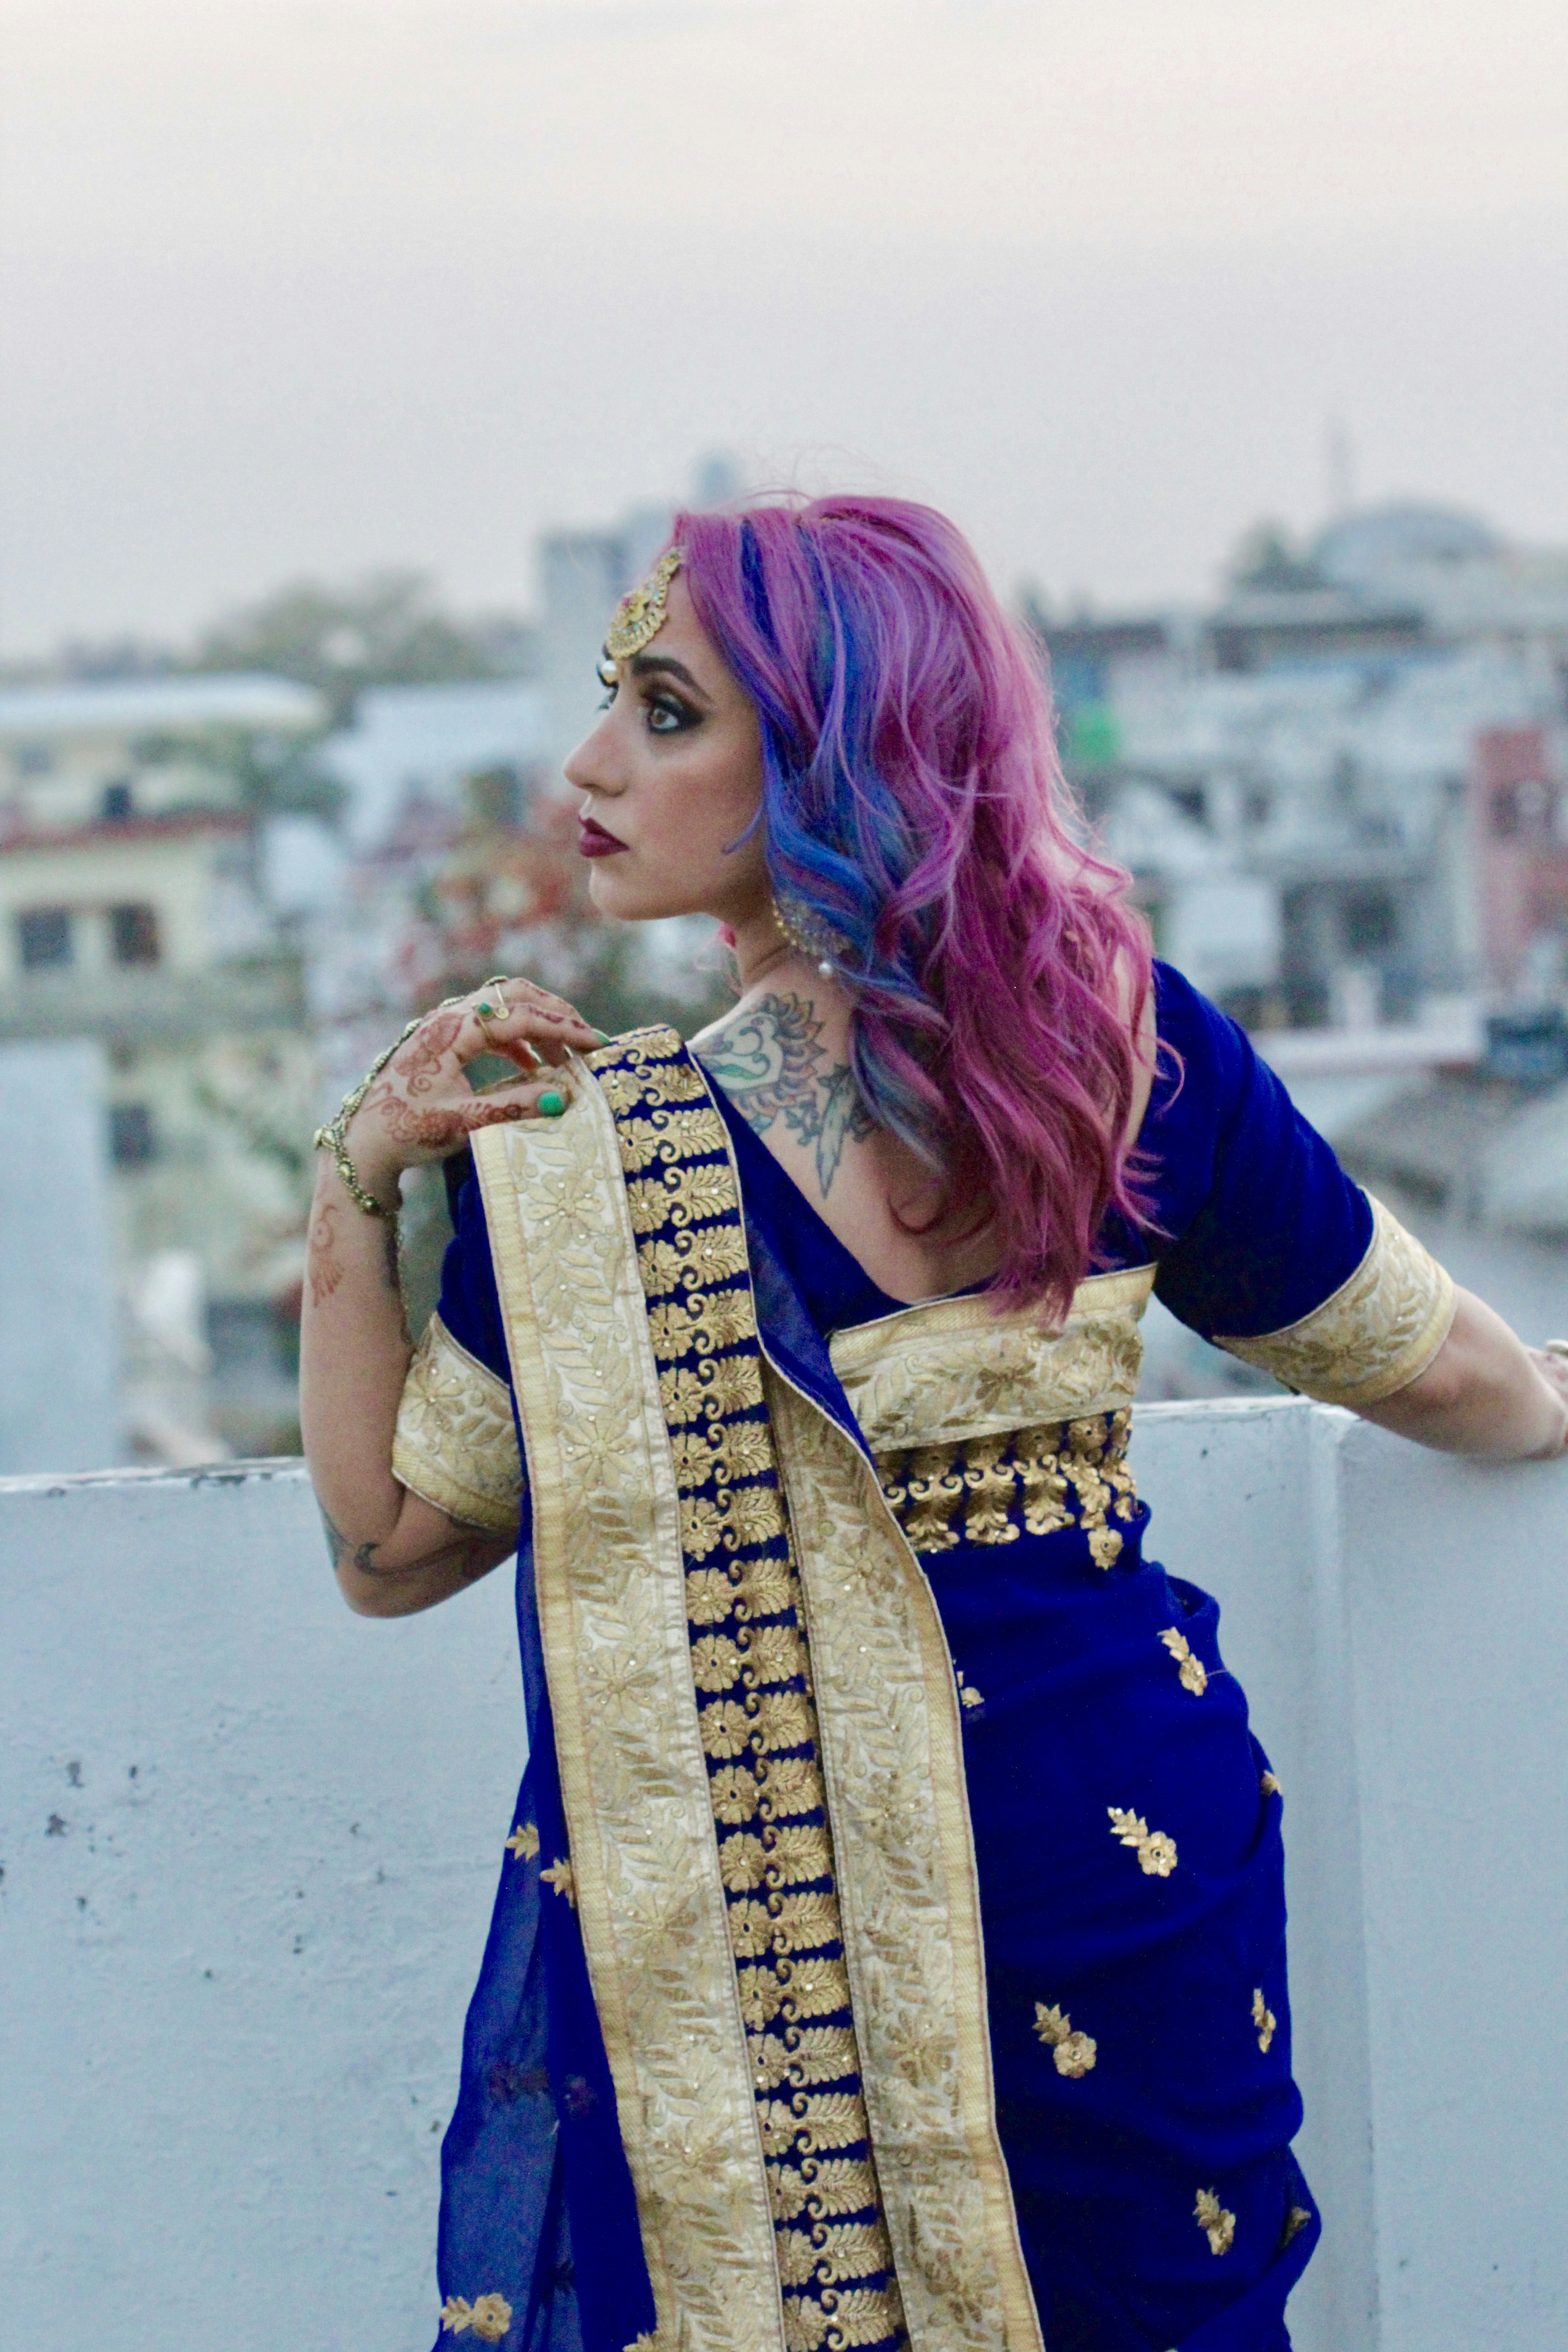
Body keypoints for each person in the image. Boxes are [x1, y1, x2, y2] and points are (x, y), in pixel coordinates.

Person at [300, 498, 1568, 2352]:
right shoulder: (1126, 1047)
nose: (589, 763)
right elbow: (1441, 1371)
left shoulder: (578, 1172)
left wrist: (357, 1174)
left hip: (766, 1965)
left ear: (823, 758)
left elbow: (387, 1551)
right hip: (1121, 1852)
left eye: (665, 714)